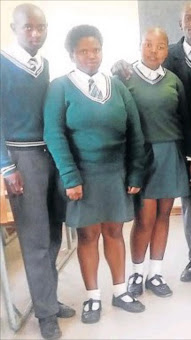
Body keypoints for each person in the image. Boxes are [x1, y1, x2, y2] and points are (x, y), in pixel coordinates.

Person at [44, 25, 146, 324]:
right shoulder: (60, 87)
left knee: (114, 232)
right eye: (83, 51)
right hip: (81, 175)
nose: (91, 56)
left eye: (96, 50)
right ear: (72, 55)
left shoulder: (117, 86)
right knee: (88, 236)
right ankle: (93, 297)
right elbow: (54, 133)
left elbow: (136, 133)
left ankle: (120, 290)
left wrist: (136, 173)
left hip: (115, 172)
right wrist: (70, 176)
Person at [0, 4, 74, 339]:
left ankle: (49, 299)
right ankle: (45, 314)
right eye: (28, 27)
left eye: (41, 27)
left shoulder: (42, 65)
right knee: (34, 239)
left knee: (55, 232)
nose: (35, 33)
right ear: (14, 28)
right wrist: (6, 166)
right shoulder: (3, 63)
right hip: (21, 157)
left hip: (50, 154)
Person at [121, 27, 191, 298]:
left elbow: (186, 121)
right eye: (148, 45)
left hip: (170, 152)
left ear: (168, 50)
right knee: (144, 218)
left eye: (161, 46)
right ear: (140, 45)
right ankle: (136, 274)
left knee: (164, 214)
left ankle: (156, 274)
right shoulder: (125, 76)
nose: (154, 51)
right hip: (141, 155)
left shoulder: (173, 81)